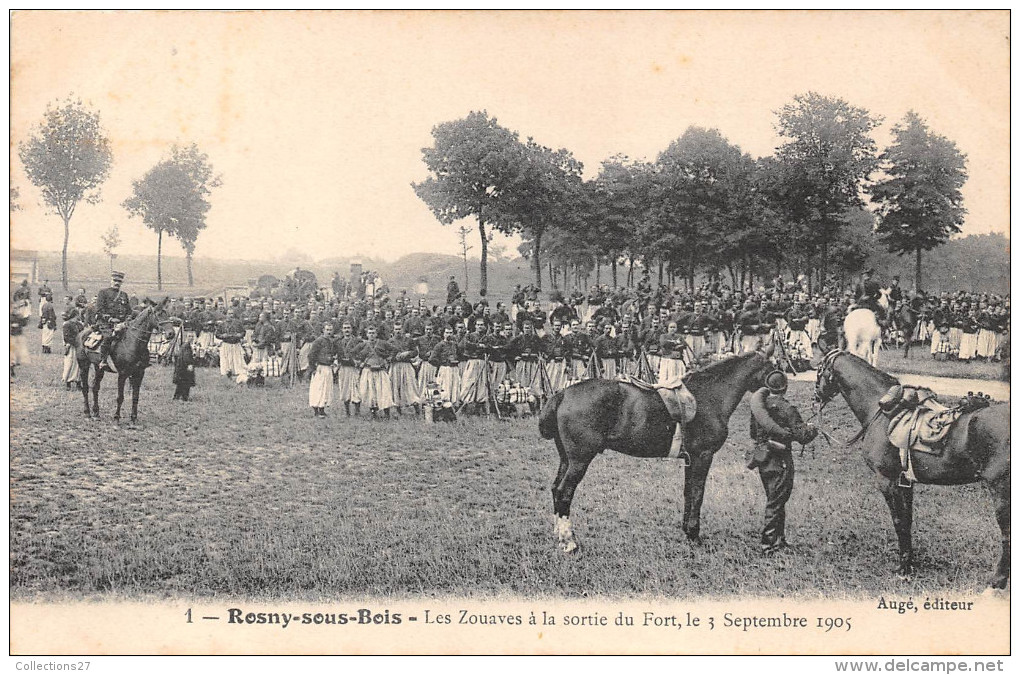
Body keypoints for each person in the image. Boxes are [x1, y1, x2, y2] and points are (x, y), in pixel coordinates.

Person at [747, 371, 818, 555]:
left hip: (764, 460)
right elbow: (803, 437)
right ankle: (768, 545)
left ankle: (779, 540)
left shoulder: (760, 408)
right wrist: (813, 430)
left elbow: (753, 434)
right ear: (785, 388)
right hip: (781, 461)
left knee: (776, 499)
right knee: (776, 502)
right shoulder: (788, 409)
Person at [93, 271, 133, 371]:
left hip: (122, 324)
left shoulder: (124, 295)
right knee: (108, 337)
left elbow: (129, 311)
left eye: (119, 281)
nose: (117, 283)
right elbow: (99, 310)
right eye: (115, 280)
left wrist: (128, 318)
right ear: (111, 280)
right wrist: (110, 319)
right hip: (106, 324)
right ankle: (103, 361)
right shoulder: (103, 292)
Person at [307, 323, 337, 418]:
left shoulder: (331, 342)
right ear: (323, 330)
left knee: (326, 389)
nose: (329, 332)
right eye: (327, 329)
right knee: (318, 389)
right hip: (319, 367)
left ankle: (322, 410)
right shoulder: (318, 341)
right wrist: (313, 368)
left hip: (328, 367)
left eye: (330, 330)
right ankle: (317, 410)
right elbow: (311, 355)